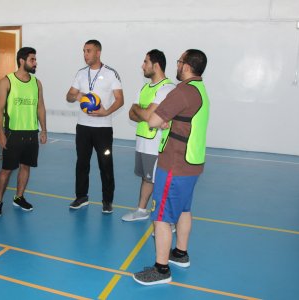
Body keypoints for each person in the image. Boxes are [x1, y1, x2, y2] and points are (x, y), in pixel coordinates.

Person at [133, 49, 209, 285]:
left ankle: (161, 269)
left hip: (175, 163)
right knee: (184, 209)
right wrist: (171, 123)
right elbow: (184, 121)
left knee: (162, 217)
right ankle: (180, 253)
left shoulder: (183, 91)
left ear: (186, 66)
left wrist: (142, 112)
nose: (177, 65)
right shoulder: (200, 90)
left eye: (179, 62)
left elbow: (152, 120)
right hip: (192, 163)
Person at [66, 40, 124, 213]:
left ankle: (107, 201)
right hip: (83, 128)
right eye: (84, 51)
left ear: (98, 52)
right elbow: (69, 96)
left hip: (103, 129)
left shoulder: (111, 73)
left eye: (88, 51)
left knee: (105, 164)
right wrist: (78, 96)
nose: (85, 54)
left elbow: (120, 99)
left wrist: (106, 112)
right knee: (82, 163)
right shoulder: (81, 74)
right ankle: (81, 197)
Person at [0, 47, 47, 218]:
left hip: (31, 132)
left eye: (35, 59)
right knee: (6, 170)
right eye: (32, 59)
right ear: (22, 61)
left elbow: (40, 107)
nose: (35, 62)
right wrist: (0, 133)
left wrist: (43, 129)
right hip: (12, 133)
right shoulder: (6, 81)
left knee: (25, 166)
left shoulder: (36, 83)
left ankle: (19, 197)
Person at [123, 49, 175, 222]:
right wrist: (143, 112)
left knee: (159, 182)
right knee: (147, 179)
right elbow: (132, 113)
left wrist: (141, 111)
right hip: (142, 143)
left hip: (157, 145)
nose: (142, 65)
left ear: (156, 65)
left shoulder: (166, 88)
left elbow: (144, 115)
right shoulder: (145, 88)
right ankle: (141, 210)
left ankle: (166, 221)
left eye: (145, 62)